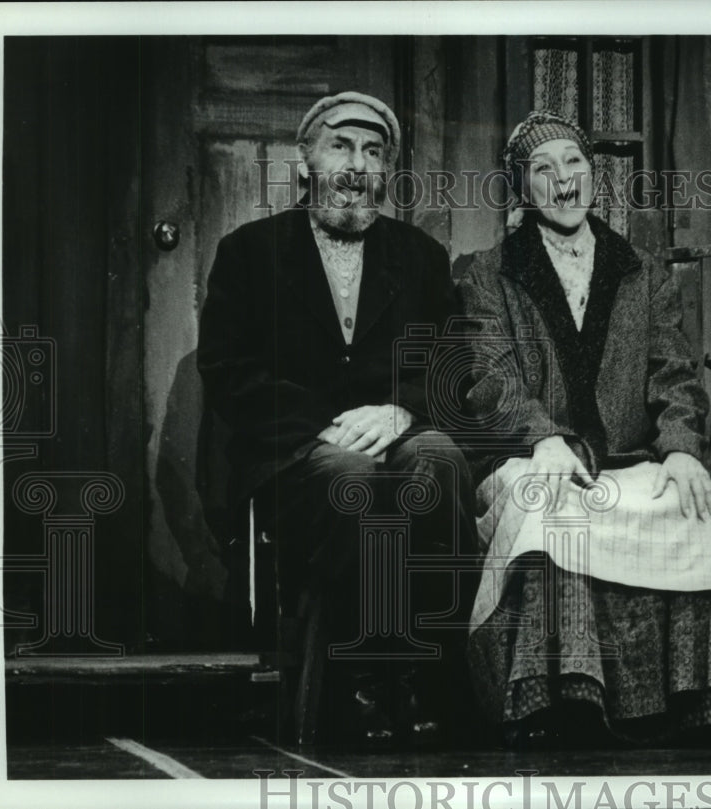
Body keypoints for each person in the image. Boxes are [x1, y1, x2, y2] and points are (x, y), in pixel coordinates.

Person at [458, 110, 711, 747]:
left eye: (574, 163)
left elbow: (675, 375)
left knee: (688, 504)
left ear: (592, 176)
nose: (563, 179)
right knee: (552, 506)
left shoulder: (641, 272)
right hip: (531, 453)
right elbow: (489, 378)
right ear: (523, 188)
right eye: (543, 170)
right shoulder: (491, 272)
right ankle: (560, 700)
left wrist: (682, 450)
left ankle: (697, 700)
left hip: (627, 458)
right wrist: (542, 437)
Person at [197, 91, 476, 747]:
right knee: (350, 476)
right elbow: (229, 372)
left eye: (373, 151)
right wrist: (326, 423)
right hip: (294, 450)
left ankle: (428, 677)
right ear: (305, 163)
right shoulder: (249, 252)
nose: (357, 165)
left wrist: (402, 408)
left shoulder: (420, 257)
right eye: (341, 146)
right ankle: (363, 683)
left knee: (438, 461)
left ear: (386, 171)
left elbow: (454, 363)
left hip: (398, 433)